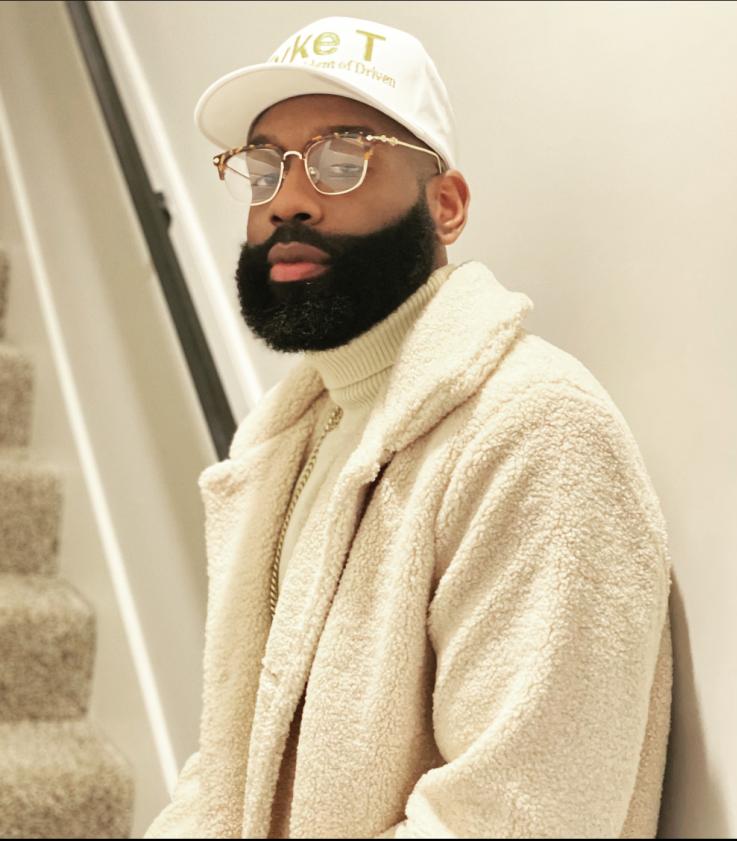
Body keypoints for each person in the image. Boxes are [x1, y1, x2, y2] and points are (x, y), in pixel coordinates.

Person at [144, 15, 673, 839]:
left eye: (341, 159)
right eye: (261, 169)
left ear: (447, 204)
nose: (286, 199)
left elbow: (512, 820)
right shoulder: (288, 441)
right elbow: (230, 768)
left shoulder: (534, 432)